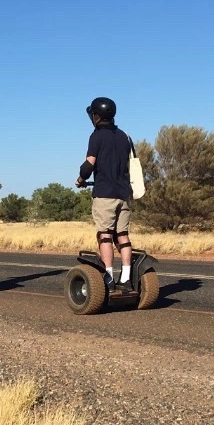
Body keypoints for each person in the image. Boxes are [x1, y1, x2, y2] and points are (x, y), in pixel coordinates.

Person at [75, 96, 134, 288]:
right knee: (122, 235)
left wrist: (81, 179)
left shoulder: (97, 135)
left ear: (97, 116)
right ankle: (126, 277)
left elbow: (88, 165)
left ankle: (108, 276)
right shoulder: (125, 136)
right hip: (124, 194)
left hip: (104, 194)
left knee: (105, 235)